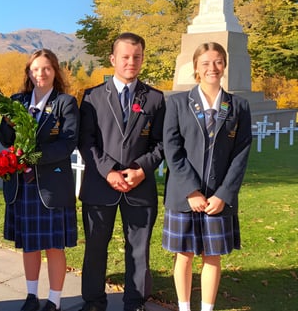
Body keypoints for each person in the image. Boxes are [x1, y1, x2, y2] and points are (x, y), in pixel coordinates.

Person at [77, 32, 166, 311]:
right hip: (100, 185)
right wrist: (109, 171)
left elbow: (162, 143)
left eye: (136, 57)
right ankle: (93, 301)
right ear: (113, 59)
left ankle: (135, 302)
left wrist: (140, 169)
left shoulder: (155, 98)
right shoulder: (92, 97)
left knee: (138, 250)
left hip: (139, 187)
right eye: (125, 57)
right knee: (95, 249)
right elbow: (86, 141)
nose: (131, 62)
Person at [162, 42, 252, 311]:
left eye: (218, 62)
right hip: (184, 196)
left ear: (224, 65)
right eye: (206, 63)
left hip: (218, 197)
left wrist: (224, 194)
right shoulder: (178, 103)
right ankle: (185, 307)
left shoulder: (238, 106)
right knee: (185, 256)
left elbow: (241, 154)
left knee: (212, 257)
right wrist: (191, 190)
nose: (212, 68)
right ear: (196, 68)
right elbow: (172, 148)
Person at [0, 49, 79, 311]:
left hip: (51, 185)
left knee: (54, 246)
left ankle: (54, 300)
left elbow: (67, 144)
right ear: (29, 73)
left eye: (46, 68)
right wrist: (8, 124)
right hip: (22, 186)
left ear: (55, 71)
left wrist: (34, 157)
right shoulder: (16, 100)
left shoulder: (65, 103)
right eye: (35, 69)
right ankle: (31, 296)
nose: (40, 74)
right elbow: (5, 139)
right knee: (30, 244)